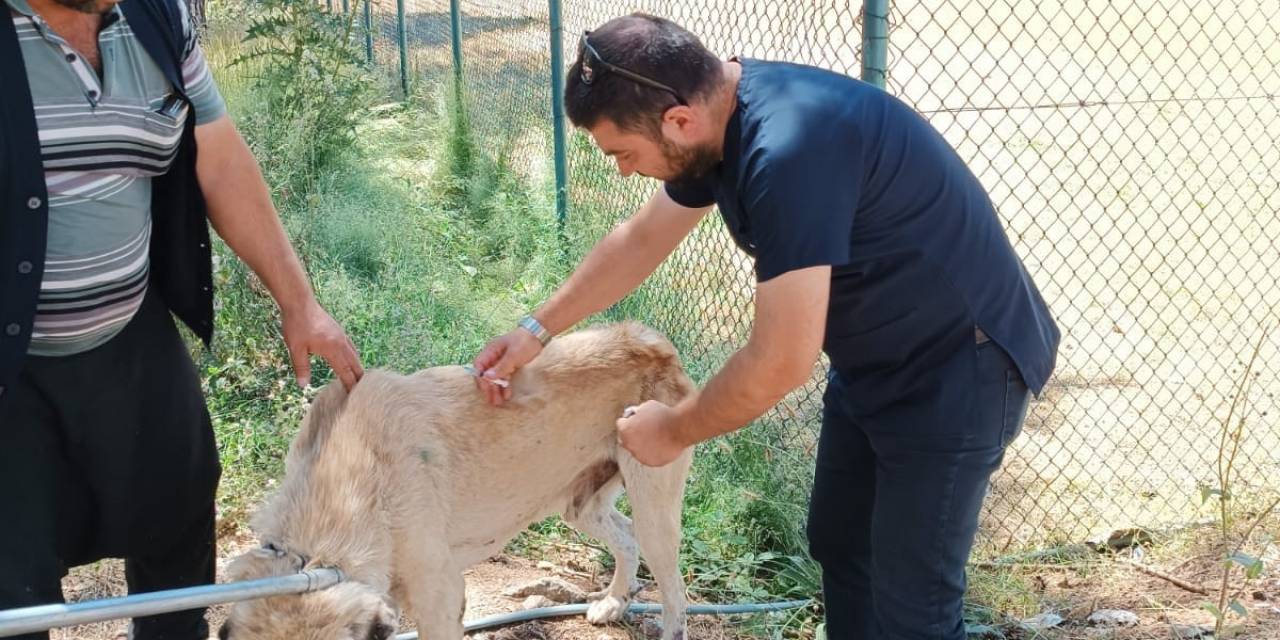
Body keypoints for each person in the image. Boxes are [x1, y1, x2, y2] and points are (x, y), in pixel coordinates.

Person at [470, 13, 1060, 640]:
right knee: (842, 545)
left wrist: (674, 427)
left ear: (677, 121)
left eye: (623, 153)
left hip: (961, 367)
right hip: (877, 362)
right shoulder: (711, 119)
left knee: (913, 603)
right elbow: (642, 240)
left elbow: (781, 359)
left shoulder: (788, 152)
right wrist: (538, 328)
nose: (621, 170)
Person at [0, 0, 363, 636]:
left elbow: (218, 157)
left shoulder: (155, 19)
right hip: (13, 372)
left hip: (132, 337)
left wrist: (299, 303)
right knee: (14, 580)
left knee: (176, 513)